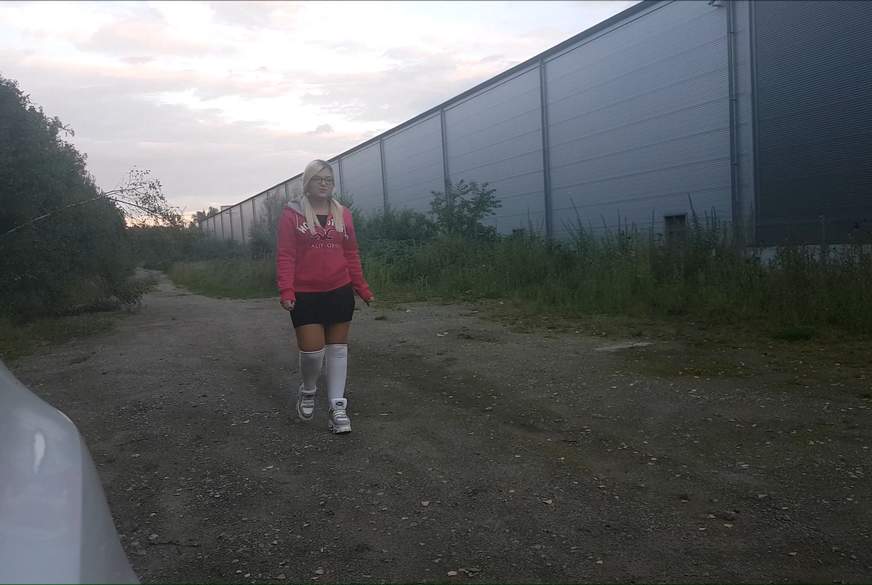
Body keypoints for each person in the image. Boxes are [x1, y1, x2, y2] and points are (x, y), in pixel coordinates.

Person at [275, 159, 375, 434]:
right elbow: (286, 255)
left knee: (338, 350)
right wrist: (286, 290)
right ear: (307, 183)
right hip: (305, 295)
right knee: (312, 353)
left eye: (328, 179)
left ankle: (337, 407)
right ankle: (308, 389)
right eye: (318, 179)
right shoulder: (292, 214)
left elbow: (351, 253)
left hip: (339, 291)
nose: (323, 183)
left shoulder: (343, 214)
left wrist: (362, 287)